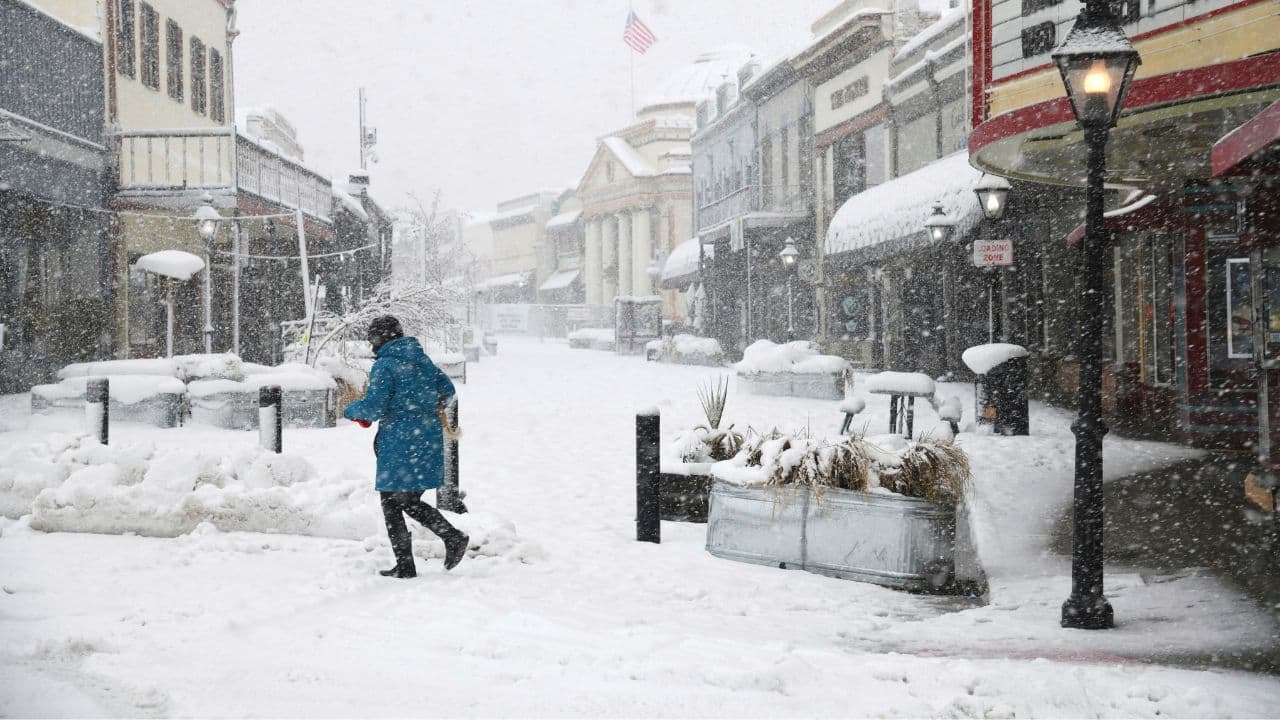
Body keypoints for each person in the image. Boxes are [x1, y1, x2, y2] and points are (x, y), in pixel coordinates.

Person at [344, 315, 469, 578]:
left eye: (372, 339)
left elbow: (374, 407)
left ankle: (447, 540)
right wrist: (423, 409)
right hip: (427, 440)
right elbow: (448, 391)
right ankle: (413, 561)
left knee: (394, 501)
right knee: (406, 500)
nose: (371, 345)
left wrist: (351, 410)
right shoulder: (423, 361)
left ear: (381, 338)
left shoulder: (385, 366)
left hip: (400, 442)